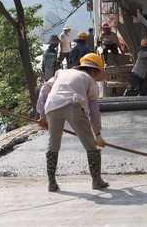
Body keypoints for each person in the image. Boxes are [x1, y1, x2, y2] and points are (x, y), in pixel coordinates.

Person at [36, 53, 109, 192]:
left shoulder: (62, 72)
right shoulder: (90, 80)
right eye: (96, 73)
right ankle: (97, 181)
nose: (95, 76)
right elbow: (94, 110)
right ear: (93, 70)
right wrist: (97, 133)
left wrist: (42, 114)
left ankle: (51, 183)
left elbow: (45, 89)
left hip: (52, 106)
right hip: (73, 105)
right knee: (90, 145)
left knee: (53, 145)